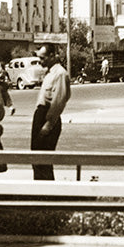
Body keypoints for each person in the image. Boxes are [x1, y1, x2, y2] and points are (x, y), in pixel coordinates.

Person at [31, 44, 71, 180]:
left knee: (44, 160)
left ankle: (47, 194)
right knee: (36, 158)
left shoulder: (60, 74)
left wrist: (48, 124)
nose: (40, 61)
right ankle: (39, 191)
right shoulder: (49, 73)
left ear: (52, 56)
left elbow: (58, 102)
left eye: (43, 58)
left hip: (47, 118)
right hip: (40, 116)